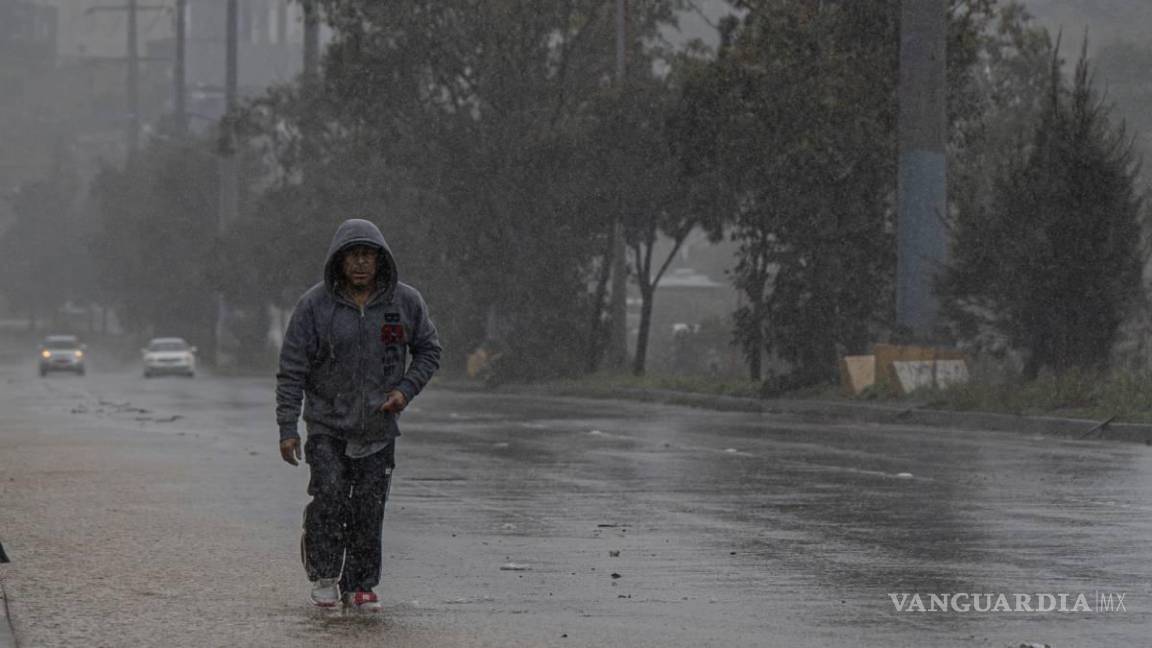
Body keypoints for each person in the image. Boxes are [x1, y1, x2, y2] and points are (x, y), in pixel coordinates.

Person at [276, 218, 442, 609]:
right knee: (330, 497)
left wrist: (405, 390)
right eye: (353, 256)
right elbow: (291, 369)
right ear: (339, 262)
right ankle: (324, 573)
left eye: (368, 256)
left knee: (369, 508)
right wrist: (288, 427)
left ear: (381, 261)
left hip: (379, 428)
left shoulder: (405, 302)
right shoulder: (314, 306)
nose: (361, 264)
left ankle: (361, 583)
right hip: (326, 425)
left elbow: (430, 350)